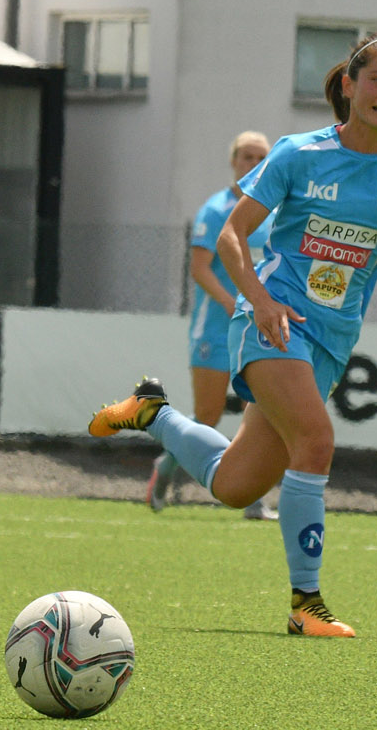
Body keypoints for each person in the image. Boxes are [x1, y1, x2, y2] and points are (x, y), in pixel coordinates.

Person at [90, 32, 377, 637]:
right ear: (349, 85)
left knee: (234, 486)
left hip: (331, 341)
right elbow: (232, 235)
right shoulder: (299, 154)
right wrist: (259, 300)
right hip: (273, 320)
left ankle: (152, 412)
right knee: (316, 438)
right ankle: (306, 604)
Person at [147, 131, 279, 519]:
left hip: (257, 328)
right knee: (208, 414)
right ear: (233, 161)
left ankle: (253, 499)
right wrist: (232, 301)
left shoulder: (272, 212)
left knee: (261, 416)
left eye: (261, 158)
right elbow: (200, 268)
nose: (253, 164)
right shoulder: (216, 208)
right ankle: (165, 467)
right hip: (216, 329)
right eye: (246, 157)